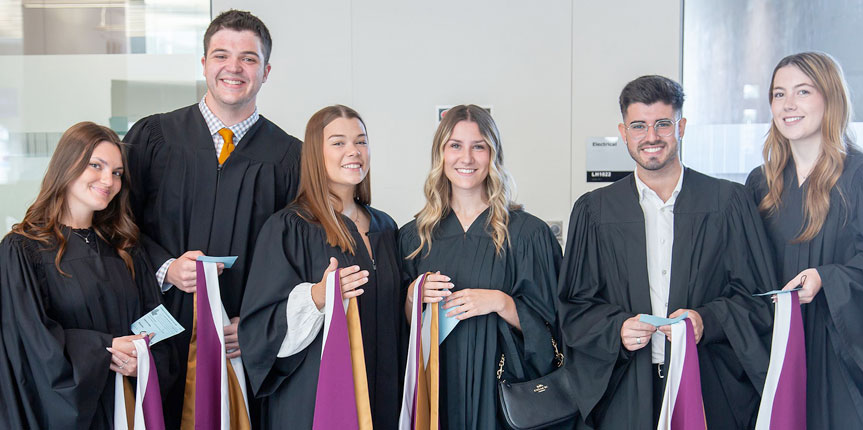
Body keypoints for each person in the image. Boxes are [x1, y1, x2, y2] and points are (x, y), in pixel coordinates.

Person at [558, 75, 776, 429]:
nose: (651, 136)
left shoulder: (727, 202)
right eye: (639, 126)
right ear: (624, 131)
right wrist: (617, 329)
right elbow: (575, 308)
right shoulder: (595, 211)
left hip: (707, 385)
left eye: (662, 124)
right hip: (626, 389)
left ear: (681, 127)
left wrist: (708, 320)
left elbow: (758, 299)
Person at [123, 9, 301, 426]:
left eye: (249, 58)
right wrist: (166, 268)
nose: (233, 68)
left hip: (241, 347)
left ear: (266, 71)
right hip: (159, 333)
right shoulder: (153, 138)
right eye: (221, 55)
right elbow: (117, 224)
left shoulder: (290, 158)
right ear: (204, 63)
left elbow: (298, 257)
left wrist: (260, 324)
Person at [746, 52, 863, 429]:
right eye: (779, 94)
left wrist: (827, 277)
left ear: (831, 98)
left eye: (803, 91)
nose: (788, 104)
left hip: (843, 360)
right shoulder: (761, 185)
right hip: (777, 352)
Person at [399, 104, 564, 429]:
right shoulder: (414, 237)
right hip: (438, 388)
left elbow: (557, 328)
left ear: (493, 155)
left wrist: (501, 303)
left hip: (503, 393)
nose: (467, 158)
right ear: (440, 154)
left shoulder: (528, 234)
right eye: (455, 146)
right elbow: (402, 332)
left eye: (479, 147)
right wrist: (412, 296)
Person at [238, 105, 404, 429]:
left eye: (361, 141)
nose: (353, 151)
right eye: (339, 142)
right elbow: (259, 331)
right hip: (312, 401)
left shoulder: (386, 227)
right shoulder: (290, 227)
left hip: (381, 395)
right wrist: (317, 296)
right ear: (316, 153)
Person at [0, 122, 168, 429]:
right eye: (96, 165)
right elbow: (30, 345)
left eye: (117, 172)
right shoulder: (23, 250)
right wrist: (104, 349)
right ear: (67, 165)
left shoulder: (126, 248)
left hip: (128, 407)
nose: (108, 180)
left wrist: (145, 360)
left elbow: (157, 328)